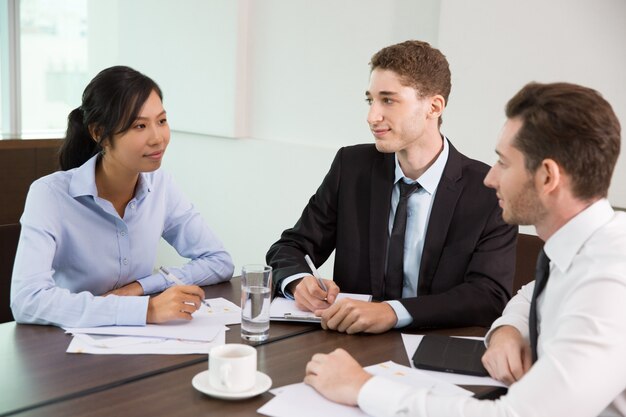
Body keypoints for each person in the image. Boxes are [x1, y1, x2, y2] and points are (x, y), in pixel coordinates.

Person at [304, 82, 626, 417]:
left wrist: (363, 388)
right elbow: (532, 294)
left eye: (504, 162)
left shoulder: (610, 281)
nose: (491, 178)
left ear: (547, 177)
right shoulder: (583, 245)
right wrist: (508, 330)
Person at [266, 40, 517, 333]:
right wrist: (298, 282)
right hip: (350, 341)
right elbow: (291, 247)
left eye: (388, 100)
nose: (372, 116)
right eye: (370, 100)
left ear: (433, 106)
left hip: (435, 344)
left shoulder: (487, 190)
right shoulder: (351, 166)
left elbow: (488, 295)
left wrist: (392, 313)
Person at [10, 66, 234, 328]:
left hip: (138, 341)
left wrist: (140, 288)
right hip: (66, 345)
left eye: (161, 121)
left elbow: (219, 261)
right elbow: (27, 300)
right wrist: (143, 310)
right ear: (98, 134)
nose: (158, 138)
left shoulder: (161, 185)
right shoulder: (48, 195)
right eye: (140, 125)